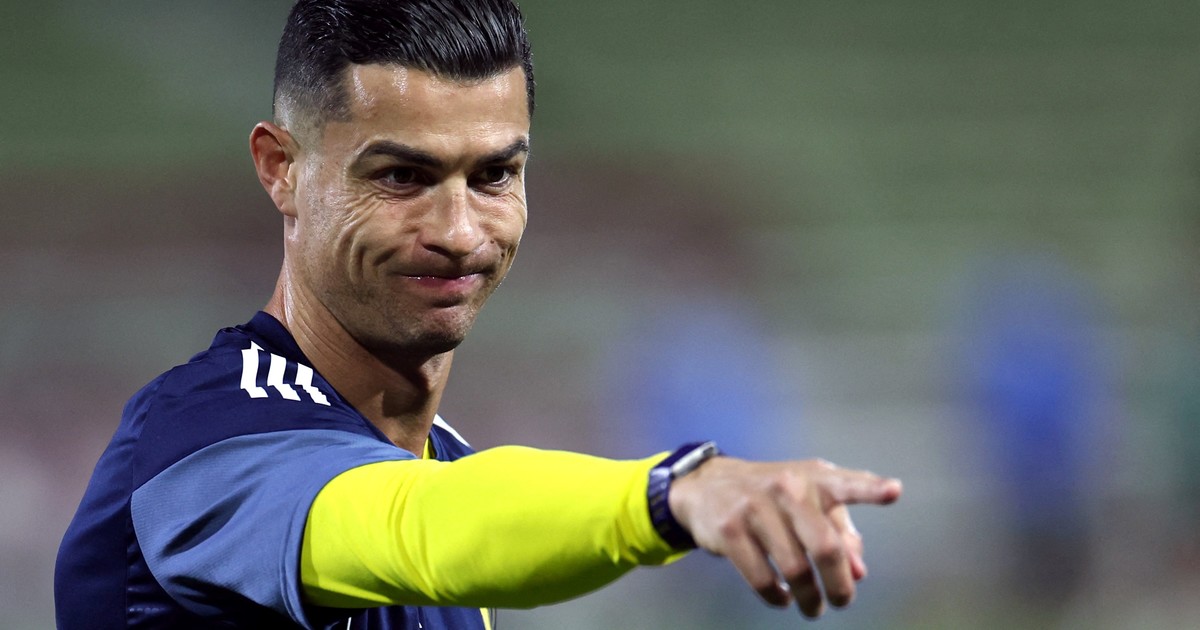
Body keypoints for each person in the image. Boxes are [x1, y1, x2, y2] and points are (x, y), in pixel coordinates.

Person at [54, 1, 902, 628]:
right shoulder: (202, 438)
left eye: (495, 175)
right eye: (400, 177)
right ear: (282, 169)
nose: (459, 233)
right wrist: (670, 493)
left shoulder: (446, 470)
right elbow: (414, 527)